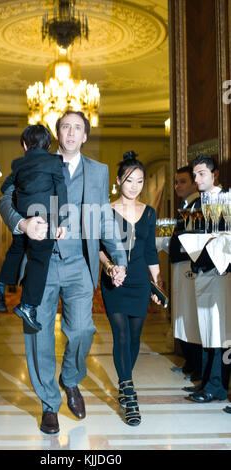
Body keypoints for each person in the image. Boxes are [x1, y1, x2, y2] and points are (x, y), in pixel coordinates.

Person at [0, 110, 127, 434]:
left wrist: (119, 256)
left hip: (79, 265)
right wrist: (23, 222)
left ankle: (70, 378)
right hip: (41, 263)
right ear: (58, 134)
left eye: (77, 128)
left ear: (85, 135)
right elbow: (4, 200)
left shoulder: (98, 172)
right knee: (37, 335)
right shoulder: (34, 163)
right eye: (65, 127)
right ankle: (48, 403)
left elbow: (104, 217)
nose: (71, 133)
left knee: (83, 331)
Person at [99, 151, 162, 426]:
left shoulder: (150, 213)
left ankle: (125, 381)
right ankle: (129, 392)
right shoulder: (105, 211)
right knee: (121, 335)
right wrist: (110, 267)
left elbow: (150, 252)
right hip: (115, 280)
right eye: (129, 180)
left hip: (138, 281)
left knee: (135, 338)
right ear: (118, 181)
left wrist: (157, 285)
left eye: (139, 181)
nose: (134, 186)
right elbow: (98, 249)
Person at [0, 124, 67, 332]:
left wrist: (23, 190)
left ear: (25, 145)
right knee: (39, 260)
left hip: (23, 216)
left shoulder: (19, 164)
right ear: (49, 145)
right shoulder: (55, 162)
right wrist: (62, 221)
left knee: (16, 250)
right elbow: (61, 190)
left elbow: (5, 187)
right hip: (45, 218)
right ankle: (28, 305)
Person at [186, 154, 231, 403]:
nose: (197, 178)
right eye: (195, 174)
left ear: (214, 174)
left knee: (220, 332)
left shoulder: (227, 200)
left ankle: (217, 386)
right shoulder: (197, 203)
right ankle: (205, 382)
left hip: (221, 272)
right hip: (203, 271)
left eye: (201, 173)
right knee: (206, 329)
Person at [169, 166, 202, 382]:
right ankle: (190, 362)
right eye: (176, 182)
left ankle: (197, 365)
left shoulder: (197, 205)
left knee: (191, 317)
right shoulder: (186, 205)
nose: (177, 186)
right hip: (181, 269)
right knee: (183, 315)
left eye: (182, 181)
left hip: (191, 269)